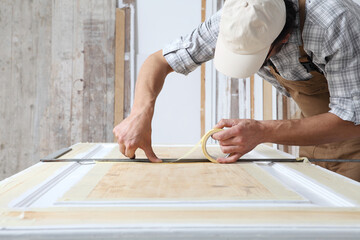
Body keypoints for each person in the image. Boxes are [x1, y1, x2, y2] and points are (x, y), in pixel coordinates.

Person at [113, 0, 360, 181]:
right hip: (316, 131)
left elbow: (353, 118)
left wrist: (262, 131)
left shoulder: (335, 24)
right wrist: (140, 113)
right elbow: (158, 62)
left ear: (283, 39)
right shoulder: (241, 15)